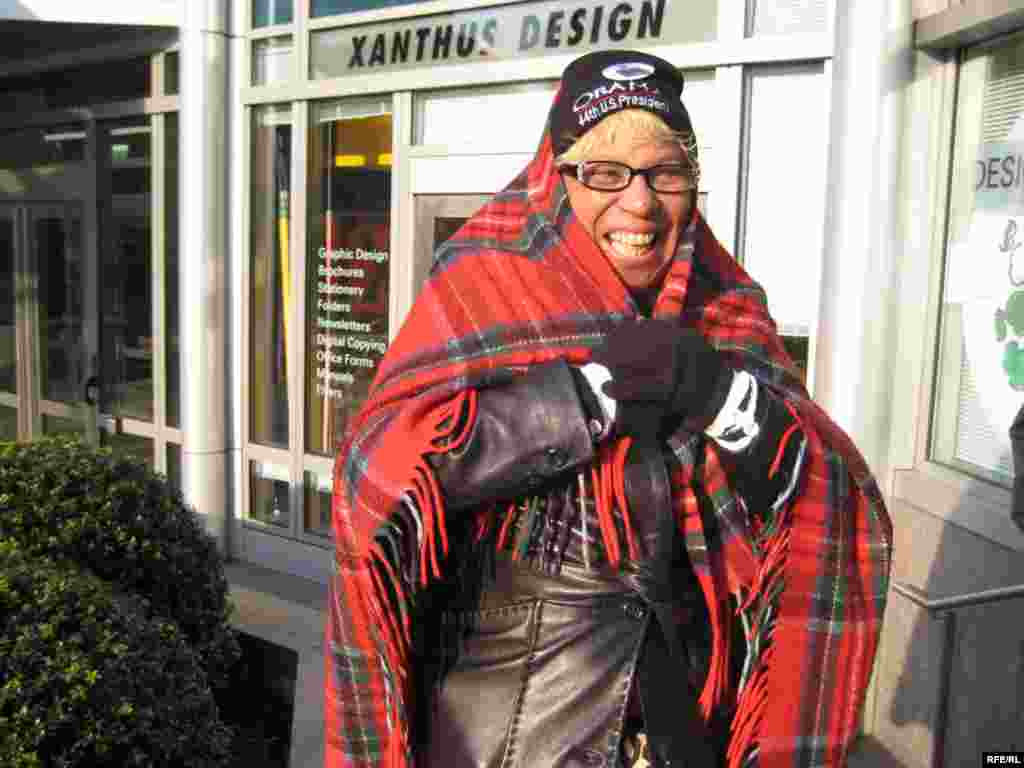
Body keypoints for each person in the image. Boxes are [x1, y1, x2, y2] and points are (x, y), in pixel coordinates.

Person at [326, 50, 893, 768]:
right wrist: (584, 397)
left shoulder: (726, 304)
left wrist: (718, 394)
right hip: (515, 735)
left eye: (666, 172)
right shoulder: (483, 281)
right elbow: (376, 477)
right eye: (603, 172)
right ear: (555, 178)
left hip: (689, 729)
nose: (640, 202)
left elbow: (825, 495)